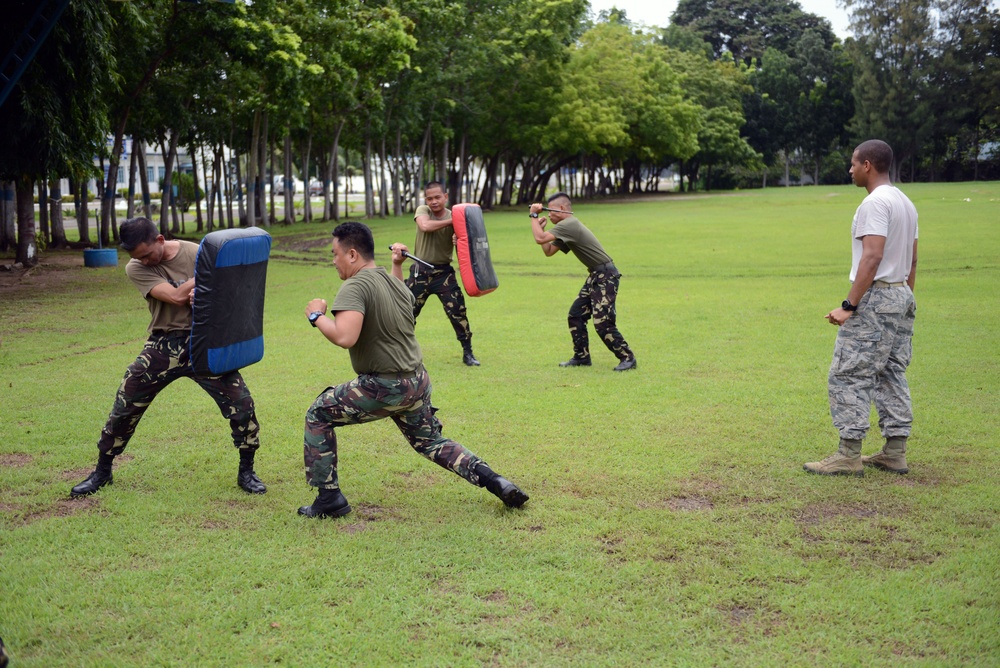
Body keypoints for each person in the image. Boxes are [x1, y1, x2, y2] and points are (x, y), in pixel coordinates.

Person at [297, 222, 528, 518]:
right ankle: (496, 480)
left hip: (383, 387)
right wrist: (396, 266)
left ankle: (328, 499)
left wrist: (316, 314)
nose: (334, 261)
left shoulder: (354, 286)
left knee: (318, 413)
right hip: (416, 382)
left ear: (352, 254)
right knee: (431, 441)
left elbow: (345, 337)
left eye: (335, 254)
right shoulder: (394, 283)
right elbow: (401, 299)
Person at [70, 217, 266, 497]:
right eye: (138, 257)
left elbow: (231, 292)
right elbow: (174, 297)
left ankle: (247, 471)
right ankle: (102, 471)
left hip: (205, 342)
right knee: (126, 403)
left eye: (148, 254)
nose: (145, 261)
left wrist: (209, 292)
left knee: (242, 404)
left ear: (160, 239)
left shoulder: (199, 252)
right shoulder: (135, 267)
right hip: (164, 344)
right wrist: (207, 278)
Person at [804, 139, 918, 477]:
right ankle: (895, 452)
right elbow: (912, 259)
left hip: (877, 298)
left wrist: (849, 306)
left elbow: (872, 255)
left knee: (848, 373)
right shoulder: (905, 203)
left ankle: (848, 454)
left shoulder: (875, 203)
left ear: (868, 165)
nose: (850, 169)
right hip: (900, 294)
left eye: (853, 164)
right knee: (890, 372)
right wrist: (905, 300)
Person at [529, 193, 637, 371]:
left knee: (603, 322)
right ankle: (581, 357)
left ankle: (627, 357)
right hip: (596, 275)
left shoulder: (569, 225)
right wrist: (538, 225)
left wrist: (533, 215)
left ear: (561, 208)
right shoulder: (566, 229)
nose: (548, 215)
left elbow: (540, 237)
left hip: (606, 276)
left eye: (549, 210)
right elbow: (547, 250)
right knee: (576, 315)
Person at [406, 181, 479, 366]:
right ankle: (401, 353)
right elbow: (425, 226)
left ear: (446, 197)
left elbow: (465, 246)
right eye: (429, 198)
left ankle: (468, 352)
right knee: (405, 313)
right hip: (420, 272)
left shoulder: (454, 217)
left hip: (444, 274)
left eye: (437, 197)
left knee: (458, 312)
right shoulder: (423, 211)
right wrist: (454, 221)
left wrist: (458, 237)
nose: (434, 201)